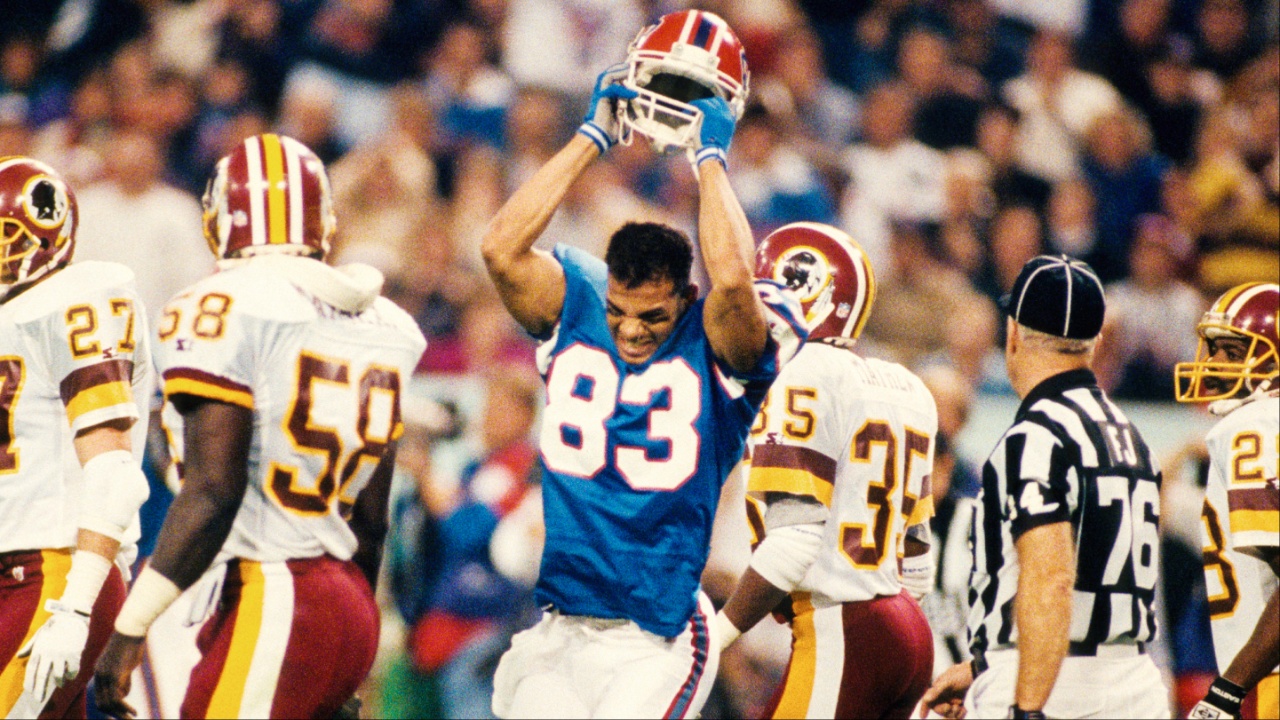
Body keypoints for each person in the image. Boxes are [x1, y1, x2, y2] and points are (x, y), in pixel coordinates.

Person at [482, 11, 806, 718]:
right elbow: (500, 248)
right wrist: (589, 138)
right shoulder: (579, 302)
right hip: (559, 627)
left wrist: (711, 160)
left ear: (685, 302)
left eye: (653, 318)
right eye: (620, 312)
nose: (630, 330)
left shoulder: (716, 338)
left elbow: (735, 283)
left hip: (654, 638)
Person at [91, 133, 426, 719]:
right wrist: (350, 647)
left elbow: (215, 490)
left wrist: (129, 629)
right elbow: (371, 521)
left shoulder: (222, 305)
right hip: (346, 596)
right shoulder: (383, 323)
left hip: (275, 590)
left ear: (223, 219)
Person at [921, 255, 1169, 719]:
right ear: (1094, 343)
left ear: (1013, 333)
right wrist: (982, 664)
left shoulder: (1035, 437)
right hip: (1135, 681)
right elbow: (1092, 574)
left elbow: (1052, 578)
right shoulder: (1131, 436)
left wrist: (1026, 703)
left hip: (1054, 688)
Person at [714, 222, 937, 719]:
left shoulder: (803, 373)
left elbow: (796, 541)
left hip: (841, 624)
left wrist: (717, 636)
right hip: (907, 628)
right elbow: (917, 558)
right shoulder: (905, 384)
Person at [0, 157, 152, 718]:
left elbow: (113, 474)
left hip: (53, 571)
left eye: (7, 238)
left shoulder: (73, 301)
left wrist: (76, 607)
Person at [1174, 282, 1279, 720]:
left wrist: (1229, 689)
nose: (1214, 363)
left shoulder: (1256, 424)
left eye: (1234, 352)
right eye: (1214, 349)